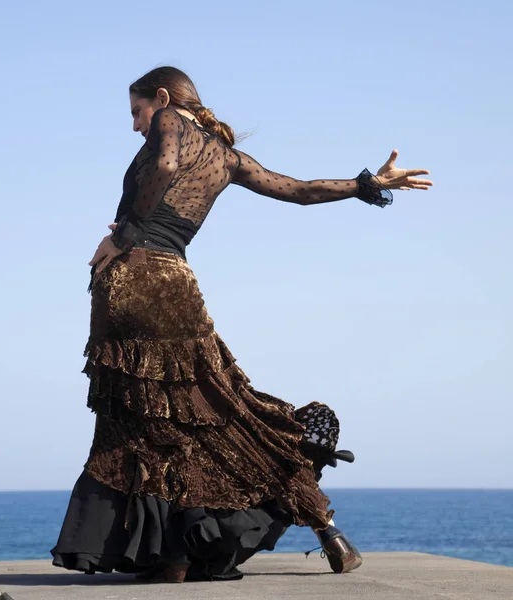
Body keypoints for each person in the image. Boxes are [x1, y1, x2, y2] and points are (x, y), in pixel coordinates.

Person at [50, 66, 432, 583]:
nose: (137, 126)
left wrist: (124, 237)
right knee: (221, 407)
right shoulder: (227, 157)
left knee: (145, 422)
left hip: (136, 284)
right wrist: (367, 186)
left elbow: (162, 165)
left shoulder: (169, 122)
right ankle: (317, 523)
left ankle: (173, 554)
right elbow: (299, 190)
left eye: (137, 112)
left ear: (162, 98)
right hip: (177, 286)